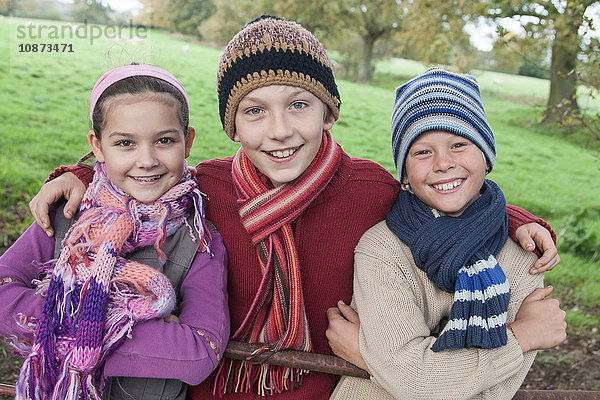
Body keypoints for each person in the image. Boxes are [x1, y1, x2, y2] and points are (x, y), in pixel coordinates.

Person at [27, 17, 558, 399]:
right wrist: (76, 175)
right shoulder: (205, 187)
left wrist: (515, 220)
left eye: (299, 105)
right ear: (232, 127)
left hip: (327, 388)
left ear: (329, 112)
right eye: (255, 111)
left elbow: (439, 194)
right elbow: (140, 173)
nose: (279, 131)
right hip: (217, 388)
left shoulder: (368, 189)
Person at [326, 68, 567, 400]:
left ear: (486, 156)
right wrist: (522, 336)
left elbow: (492, 394)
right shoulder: (382, 249)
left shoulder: (523, 257)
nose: (443, 163)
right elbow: (415, 380)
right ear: (405, 175)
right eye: (422, 151)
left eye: (458, 144)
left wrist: (372, 360)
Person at [0, 64, 229, 400]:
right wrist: (139, 333)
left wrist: (64, 326)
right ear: (97, 146)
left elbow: (200, 352)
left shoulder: (199, 238)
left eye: (164, 140)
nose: (147, 160)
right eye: (125, 143)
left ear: (187, 140)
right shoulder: (66, 215)